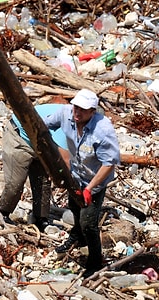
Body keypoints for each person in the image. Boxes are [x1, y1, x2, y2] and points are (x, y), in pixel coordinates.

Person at [42, 89, 120, 278]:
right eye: (76, 107)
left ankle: (95, 261)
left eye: (83, 110)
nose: (77, 113)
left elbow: (109, 164)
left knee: (89, 222)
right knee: (74, 207)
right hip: (75, 174)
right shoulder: (65, 113)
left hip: (95, 180)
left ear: (92, 111)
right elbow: (44, 126)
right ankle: (77, 236)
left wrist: (90, 188)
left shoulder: (103, 131)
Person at [0, 104, 69, 231]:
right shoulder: (68, 123)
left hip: (42, 142)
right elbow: (66, 160)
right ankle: (3, 213)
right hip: (20, 138)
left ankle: (41, 219)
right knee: (16, 182)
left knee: (42, 182)